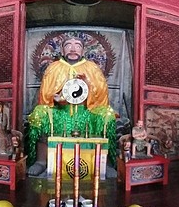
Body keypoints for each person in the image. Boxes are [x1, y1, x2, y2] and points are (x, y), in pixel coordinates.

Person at [25, 35, 117, 169]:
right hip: (60, 113)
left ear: (83, 51)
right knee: (40, 113)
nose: (73, 49)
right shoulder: (54, 67)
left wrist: (88, 86)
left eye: (77, 46)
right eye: (68, 45)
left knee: (107, 114)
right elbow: (46, 95)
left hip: (86, 112)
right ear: (62, 50)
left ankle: (105, 163)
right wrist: (57, 99)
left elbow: (101, 95)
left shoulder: (92, 68)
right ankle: (41, 161)